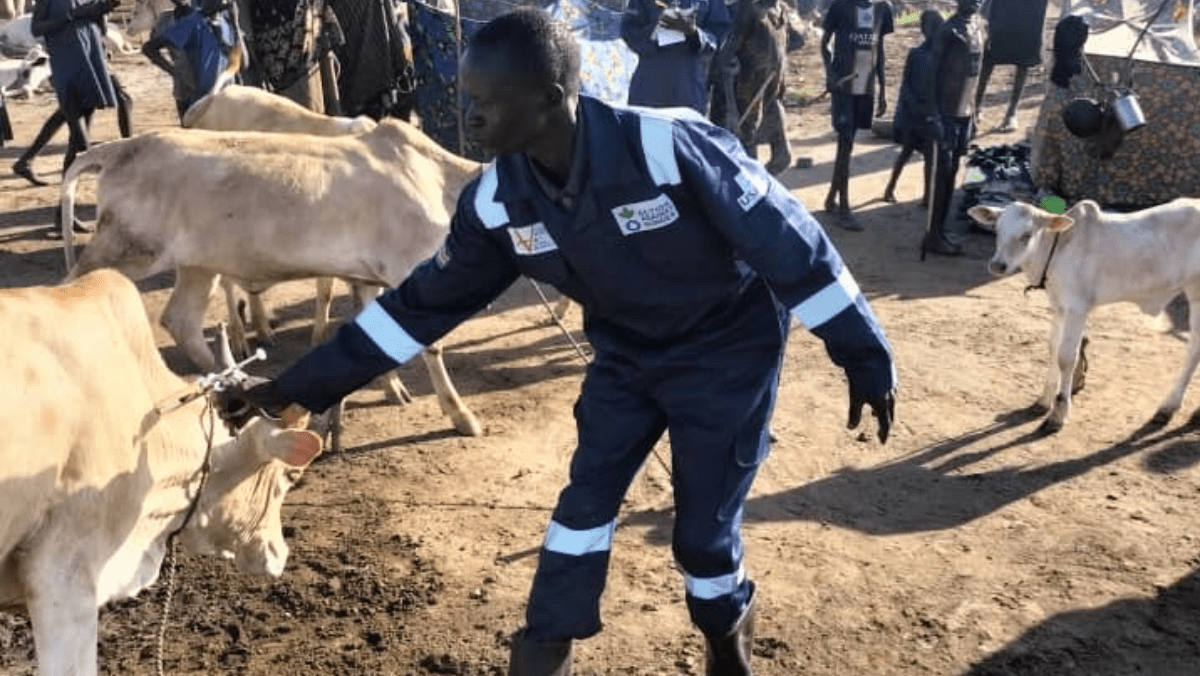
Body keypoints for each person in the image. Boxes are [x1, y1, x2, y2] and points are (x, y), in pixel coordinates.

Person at [221, 8, 896, 675]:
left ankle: (727, 643)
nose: (471, 117)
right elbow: (416, 310)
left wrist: (860, 351)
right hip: (626, 357)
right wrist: (292, 388)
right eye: (468, 100)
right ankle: (545, 650)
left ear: (549, 101)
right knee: (582, 509)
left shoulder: (664, 147)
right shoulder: (495, 203)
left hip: (726, 352)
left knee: (702, 534)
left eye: (487, 102)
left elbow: (788, 243)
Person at [27, 0, 121, 237]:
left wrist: (101, 11)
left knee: (76, 146)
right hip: (66, 67)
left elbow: (99, 28)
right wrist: (74, 14)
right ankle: (72, 214)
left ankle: (63, 216)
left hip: (90, 61)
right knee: (82, 144)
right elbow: (37, 28)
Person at [820, 0, 893, 231]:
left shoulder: (883, 8)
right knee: (845, 143)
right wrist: (830, 74)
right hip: (843, 88)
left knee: (848, 145)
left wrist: (883, 89)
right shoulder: (840, 6)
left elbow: (878, 49)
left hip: (866, 88)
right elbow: (824, 44)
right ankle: (844, 209)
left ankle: (831, 197)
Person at [922, 0, 985, 257]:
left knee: (953, 173)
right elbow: (931, 78)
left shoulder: (980, 27)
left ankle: (940, 230)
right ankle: (933, 234)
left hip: (964, 114)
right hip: (945, 115)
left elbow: (976, 75)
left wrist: (974, 114)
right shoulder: (948, 32)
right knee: (943, 174)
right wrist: (934, 117)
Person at [10, 73, 132, 189]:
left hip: (79, 61)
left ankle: (27, 161)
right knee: (119, 98)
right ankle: (131, 155)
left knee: (76, 108)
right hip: (81, 61)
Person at [621, 0, 730, 112]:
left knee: (684, 128)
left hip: (689, 95)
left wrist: (694, 33)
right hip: (650, 92)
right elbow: (629, 30)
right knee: (651, 128)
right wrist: (659, 34)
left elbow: (718, 34)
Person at [882, 9, 942, 205]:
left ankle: (926, 196)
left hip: (928, 115)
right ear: (923, 29)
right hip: (916, 114)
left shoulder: (940, 57)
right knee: (906, 153)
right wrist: (911, 106)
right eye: (929, 27)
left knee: (929, 158)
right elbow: (905, 84)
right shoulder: (916, 54)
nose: (932, 31)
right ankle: (890, 188)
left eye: (935, 27)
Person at [142, 0, 237, 120]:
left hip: (225, 98)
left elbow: (241, 62)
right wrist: (176, 73)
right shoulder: (192, 22)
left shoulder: (226, 21)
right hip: (200, 101)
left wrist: (236, 24)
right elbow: (149, 48)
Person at [972, 0, 1048, 133]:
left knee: (1024, 57)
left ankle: (1011, 113)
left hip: (1030, 11)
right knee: (989, 55)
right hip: (1004, 8)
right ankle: (976, 108)